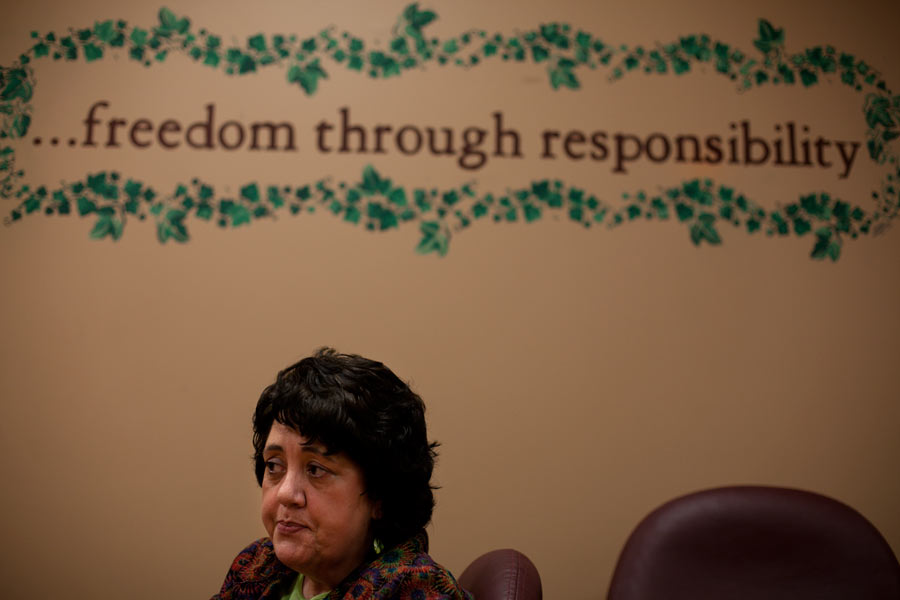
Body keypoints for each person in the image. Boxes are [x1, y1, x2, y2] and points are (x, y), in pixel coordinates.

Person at [212, 348, 472, 600]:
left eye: (315, 470)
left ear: (380, 495)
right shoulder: (255, 567)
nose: (285, 493)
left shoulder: (413, 588)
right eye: (274, 466)